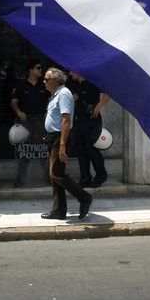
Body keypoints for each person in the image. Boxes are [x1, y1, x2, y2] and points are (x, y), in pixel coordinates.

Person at [41, 68, 92, 221]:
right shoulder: (55, 94)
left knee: (57, 174)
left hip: (60, 138)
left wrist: (62, 146)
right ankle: (59, 210)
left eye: (46, 79)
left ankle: (84, 198)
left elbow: (66, 120)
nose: (44, 82)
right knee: (54, 175)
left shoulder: (63, 94)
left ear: (55, 81)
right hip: (53, 138)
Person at [67, 71, 111, 188]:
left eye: (72, 71)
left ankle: (101, 174)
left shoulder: (92, 82)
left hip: (92, 119)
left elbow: (109, 92)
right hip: (80, 119)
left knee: (91, 148)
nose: (70, 74)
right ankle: (85, 178)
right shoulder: (74, 84)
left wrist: (98, 106)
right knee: (81, 150)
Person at [10, 59, 50, 187]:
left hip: (41, 121)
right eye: (38, 68)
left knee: (44, 150)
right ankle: (21, 180)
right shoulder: (21, 85)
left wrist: (48, 112)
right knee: (24, 151)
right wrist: (18, 112)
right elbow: (14, 101)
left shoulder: (44, 85)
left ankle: (48, 178)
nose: (40, 70)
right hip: (25, 122)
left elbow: (50, 99)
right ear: (30, 70)